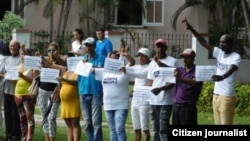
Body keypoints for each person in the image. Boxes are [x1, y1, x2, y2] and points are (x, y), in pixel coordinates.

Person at [183, 18, 241, 125]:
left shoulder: (235, 57)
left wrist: (221, 77)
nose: (221, 44)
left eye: (224, 43)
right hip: (216, 95)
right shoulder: (219, 53)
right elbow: (204, 43)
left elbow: (232, 69)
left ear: (230, 44)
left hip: (227, 96)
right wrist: (192, 30)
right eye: (220, 42)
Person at [94, 50, 135, 141]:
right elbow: (91, 70)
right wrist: (84, 62)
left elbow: (132, 62)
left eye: (115, 59)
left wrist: (126, 55)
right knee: (112, 129)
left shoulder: (124, 69)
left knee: (119, 128)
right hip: (108, 105)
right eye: (111, 59)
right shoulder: (104, 71)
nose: (113, 61)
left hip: (121, 105)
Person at [146, 38, 178, 141]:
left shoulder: (173, 61)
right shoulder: (152, 63)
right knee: (155, 128)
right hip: (153, 101)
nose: (159, 49)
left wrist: (160, 89)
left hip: (165, 100)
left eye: (161, 46)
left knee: (163, 129)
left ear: (166, 48)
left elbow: (173, 82)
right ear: (154, 48)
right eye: (157, 46)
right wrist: (142, 92)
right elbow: (151, 81)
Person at [37, 42, 66, 141]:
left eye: (53, 50)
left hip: (55, 92)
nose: (51, 52)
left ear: (57, 51)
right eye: (49, 50)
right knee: (44, 117)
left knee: (51, 117)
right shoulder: (43, 62)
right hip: (42, 91)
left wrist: (58, 58)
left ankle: (52, 139)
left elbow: (65, 68)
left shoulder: (61, 62)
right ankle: (47, 139)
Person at [77, 37, 105, 141]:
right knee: (87, 122)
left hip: (96, 92)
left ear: (94, 46)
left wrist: (90, 66)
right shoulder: (82, 60)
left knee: (96, 122)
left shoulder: (101, 58)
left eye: (90, 45)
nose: (88, 47)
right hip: (84, 92)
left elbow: (102, 72)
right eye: (86, 45)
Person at [121, 47, 151, 141]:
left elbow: (141, 74)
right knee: (136, 128)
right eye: (139, 55)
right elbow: (127, 68)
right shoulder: (136, 67)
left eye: (143, 56)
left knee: (145, 129)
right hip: (135, 100)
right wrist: (124, 55)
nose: (141, 58)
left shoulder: (150, 67)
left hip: (144, 100)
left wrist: (127, 70)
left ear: (148, 57)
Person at [14, 46, 40, 141]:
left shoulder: (33, 66)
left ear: (29, 55)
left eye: (24, 53)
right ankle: (23, 137)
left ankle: (29, 138)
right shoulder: (19, 66)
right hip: (18, 94)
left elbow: (35, 80)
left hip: (28, 95)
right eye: (21, 53)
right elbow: (15, 81)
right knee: (22, 118)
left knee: (29, 118)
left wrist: (22, 76)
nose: (22, 55)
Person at [172, 48, 203, 125]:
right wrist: (160, 64)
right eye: (183, 58)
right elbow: (168, 70)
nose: (184, 60)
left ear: (193, 58)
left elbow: (194, 82)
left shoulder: (198, 71)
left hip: (188, 108)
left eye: (187, 58)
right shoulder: (180, 70)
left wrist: (179, 78)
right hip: (177, 106)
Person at [57, 53, 81, 141]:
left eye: (67, 59)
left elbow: (76, 82)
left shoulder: (78, 71)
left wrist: (64, 80)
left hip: (73, 101)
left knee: (75, 123)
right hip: (65, 103)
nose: (65, 61)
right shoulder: (65, 71)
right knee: (69, 125)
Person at [2, 39, 22, 141]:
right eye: (11, 46)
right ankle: (8, 135)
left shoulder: (21, 60)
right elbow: (4, 73)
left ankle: (15, 136)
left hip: (16, 91)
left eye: (14, 46)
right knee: (7, 113)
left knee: (15, 115)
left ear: (18, 48)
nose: (12, 48)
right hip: (6, 90)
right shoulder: (7, 59)